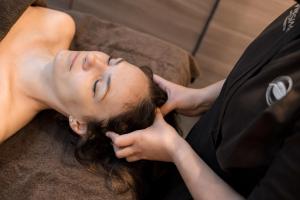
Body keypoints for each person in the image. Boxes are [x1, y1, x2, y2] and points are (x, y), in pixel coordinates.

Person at [107, 1, 300, 199]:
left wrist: (177, 150)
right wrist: (202, 97)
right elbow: (269, 79)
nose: (91, 60)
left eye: (100, 85)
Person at [0, 4, 181, 199]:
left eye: (97, 85)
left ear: (80, 123)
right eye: (111, 60)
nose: (93, 59)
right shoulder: (59, 25)